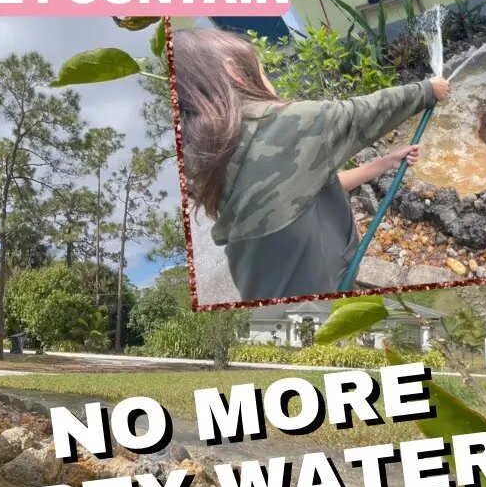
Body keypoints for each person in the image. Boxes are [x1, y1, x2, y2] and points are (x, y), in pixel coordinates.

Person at [174, 28, 451, 302]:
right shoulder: (280, 125)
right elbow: (362, 114)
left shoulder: (206, 154)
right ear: (233, 71)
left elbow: (301, 192)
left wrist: (384, 163)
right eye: (263, 70)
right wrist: (427, 90)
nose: (269, 79)